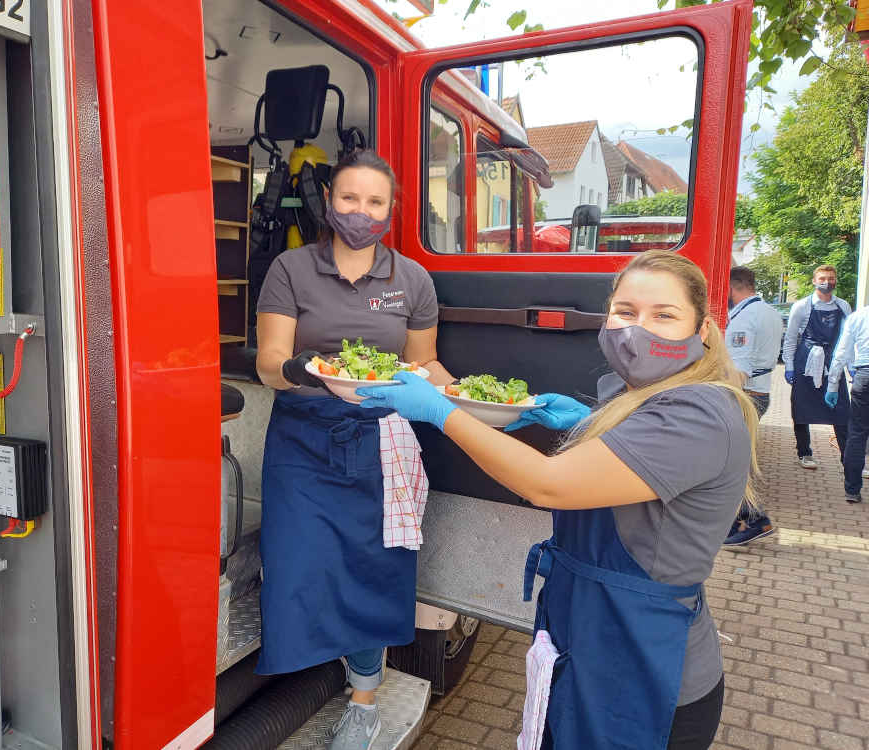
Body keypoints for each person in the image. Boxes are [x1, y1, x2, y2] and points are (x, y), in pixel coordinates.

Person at [357, 250, 758, 750]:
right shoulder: (641, 394)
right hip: (591, 642)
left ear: (701, 331)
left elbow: (548, 483)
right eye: (626, 312)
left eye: (665, 315)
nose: (640, 329)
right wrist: (585, 422)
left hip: (644, 672)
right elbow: (632, 455)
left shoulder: (697, 411)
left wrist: (438, 410)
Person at [254, 148, 453, 750]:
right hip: (302, 436)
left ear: (390, 211)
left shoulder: (412, 279)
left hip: (381, 439)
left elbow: (424, 364)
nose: (360, 212)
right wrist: (314, 373)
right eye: (348, 198)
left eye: (374, 202)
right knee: (296, 559)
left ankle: (364, 699)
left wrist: (468, 398)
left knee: (374, 567)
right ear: (329, 204)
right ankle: (320, 660)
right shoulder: (290, 269)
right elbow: (268, 365)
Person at [723, 266, 783, 546]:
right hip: (760, 394)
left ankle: (755, 519)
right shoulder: (770, 313)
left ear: (733, 288)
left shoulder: (743, 320)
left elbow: (740, 369)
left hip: (744, 395)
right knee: (735, 460)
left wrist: (721, 401)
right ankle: (739, 520)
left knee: (730, 462)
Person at [782, 265, 851, 469]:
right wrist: (789, 365)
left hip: (833, 363)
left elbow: (849, 339)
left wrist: (851, 365)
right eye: (822, 278)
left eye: (831, 278)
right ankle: (804, 453)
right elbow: (791, 338)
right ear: (814, 281)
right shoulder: (802, 307)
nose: (827, 282)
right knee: (801, 408)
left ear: (835, 281)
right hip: (807, 362)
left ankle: (848, 457)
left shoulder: (843, 307)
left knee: (841, 411)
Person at [825, 302, 869, 503]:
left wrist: (832, 386)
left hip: (864, 376)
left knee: (857, 433)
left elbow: (841, 354)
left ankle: (852, 489)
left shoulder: (857, 317)